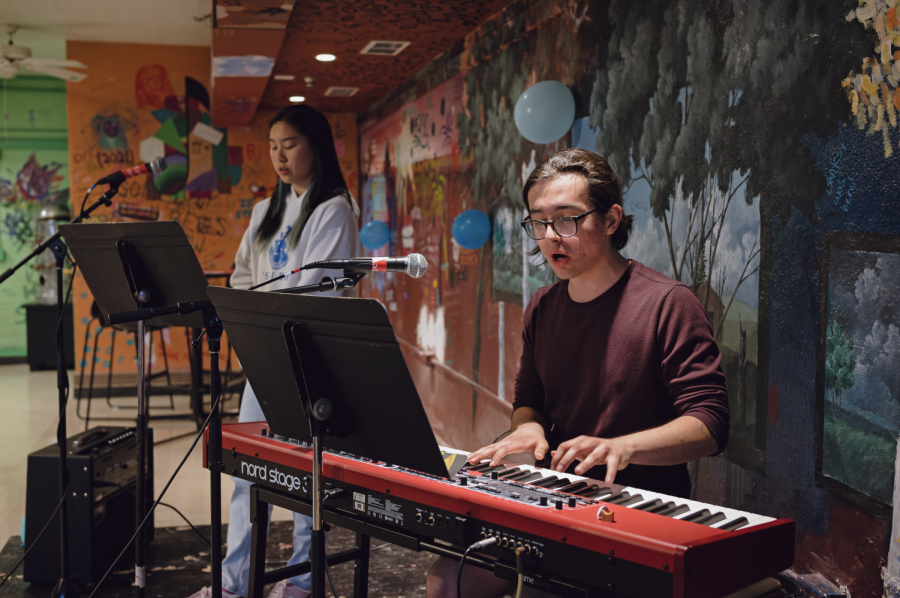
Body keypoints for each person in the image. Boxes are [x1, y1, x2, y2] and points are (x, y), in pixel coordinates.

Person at [426, 148, 729, 598]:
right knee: (449, 577)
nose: (550, 237)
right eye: (539, 222)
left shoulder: (667, 304)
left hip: (639, 508)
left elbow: (710, 424)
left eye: (567, 219)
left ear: (610, 220)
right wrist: (527, 429)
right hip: (557, 496)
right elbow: (529, 397)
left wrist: (620, 448)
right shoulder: (543, 307)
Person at [189, 105, 360, 598]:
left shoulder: (333, 209)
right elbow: (242, 276)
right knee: (246, 474)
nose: (279, 156)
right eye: (272, 146)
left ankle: (302, 582)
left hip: (309, 365)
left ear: (316, 146)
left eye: (290, 144)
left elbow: (317, 290)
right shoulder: (265, 211)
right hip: (264, 361)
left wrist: (260, 310)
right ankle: (235, 583)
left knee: (304, 477)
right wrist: (250, 323)